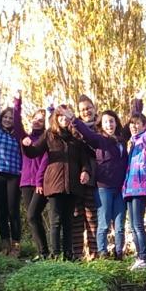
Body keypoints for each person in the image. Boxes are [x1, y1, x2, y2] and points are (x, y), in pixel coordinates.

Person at [23, 105, 91, 259]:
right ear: (56, 118)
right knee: (55, 220)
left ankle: (69, 254)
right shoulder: (49, 135)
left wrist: (86, 171)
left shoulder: (77, 138)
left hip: (72, 185)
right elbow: (34, 152)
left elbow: (84, 161)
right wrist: (26, 145)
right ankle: (55, 254)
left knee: (68, 221)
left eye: (67, 117)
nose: (64, 119)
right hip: (54, 184)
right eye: (61, 116)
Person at [70, 109, 128, 259]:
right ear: (101, 125)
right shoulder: (99, 140)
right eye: (106, 122)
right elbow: (86, 133)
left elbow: (133, 124)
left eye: (112, 121)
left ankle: (119, 253)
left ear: (116, 122)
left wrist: (138, 103)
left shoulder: (122, 140)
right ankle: (103, 253)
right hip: (104, 187)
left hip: (121, 188)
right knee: (103, 223)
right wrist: (73, 119)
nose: (109, 125)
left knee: (120, 225)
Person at [0, 81, 25, 256]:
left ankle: (16, 245)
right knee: (0, 210)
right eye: (6, 117)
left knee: (12, 210)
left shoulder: (17, 135)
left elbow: (18, 116)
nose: (8, 120)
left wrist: (18, 100)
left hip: (14, 175)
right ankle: (5, 244)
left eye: (11, 118)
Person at [123, 111, 146, 269]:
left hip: (140, 187)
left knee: (138, 225)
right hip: (129, 189)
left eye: (137, 123)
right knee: (132, 226)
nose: (134, 126)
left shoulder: (144, 140)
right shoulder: (132, 142)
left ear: (144, 125)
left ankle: (144, 258)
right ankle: (139, 257)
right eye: (132, 124)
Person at [71, 95, 101, 259]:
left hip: (95, 177)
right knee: (76, 217)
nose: (86, 111)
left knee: (92, 218)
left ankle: (95, 253)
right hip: (76, 178)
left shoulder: (101, 127)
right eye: (82, 110)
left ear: (94, 108)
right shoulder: (73, 130)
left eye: (89, 108)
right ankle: (77, 254)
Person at [20, 107, 50, 259]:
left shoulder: (46, 139)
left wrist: (40, 181)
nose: (37, 122)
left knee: (32, 215)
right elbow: (17, 122)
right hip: (25, 182)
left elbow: (45, 162)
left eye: (41, 120)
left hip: (40, 183)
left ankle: (44, 252)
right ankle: (41, 252)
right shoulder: (26, 138)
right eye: (35, 119)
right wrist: (17, 101)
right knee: (33, 218)